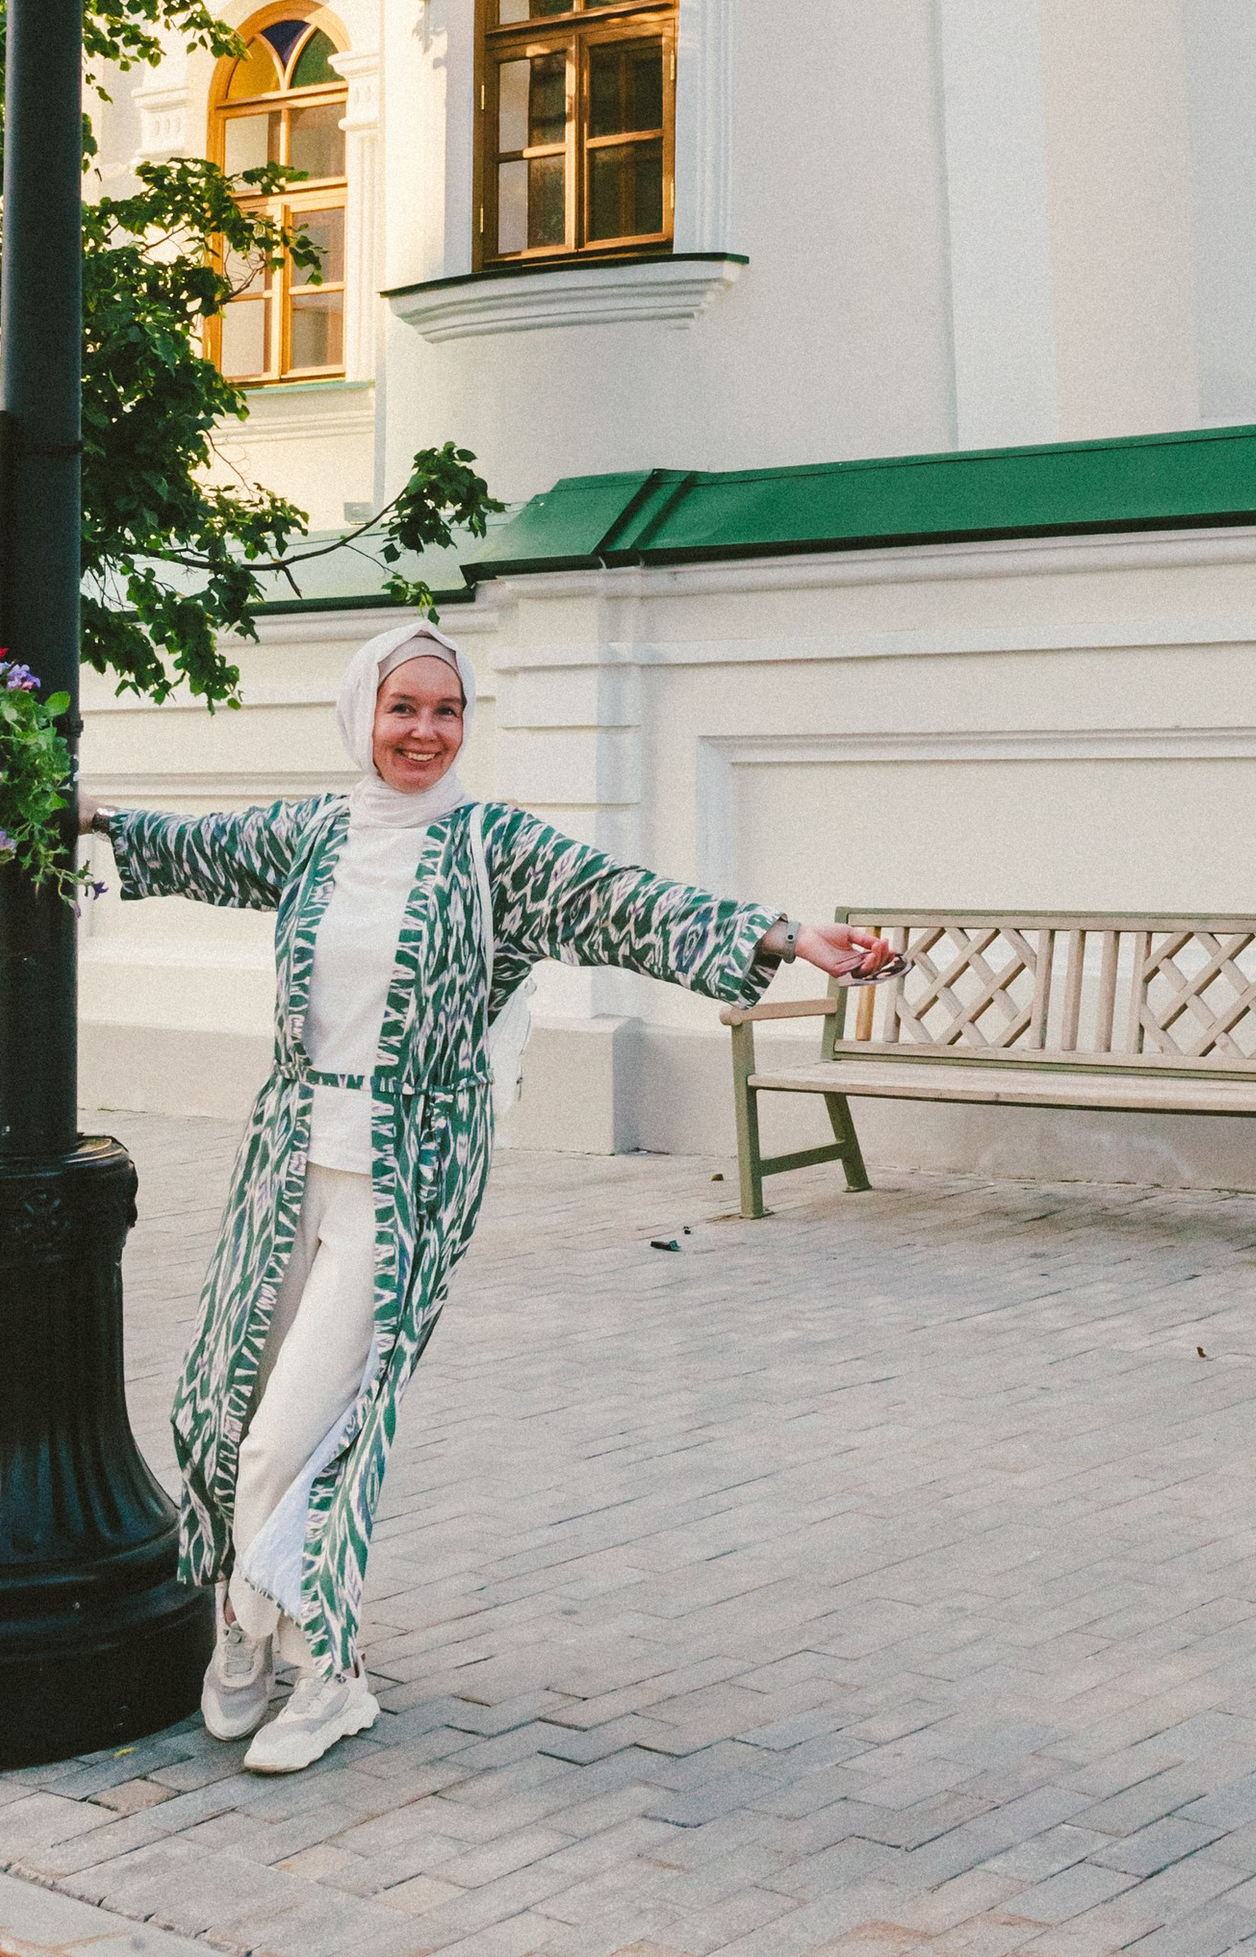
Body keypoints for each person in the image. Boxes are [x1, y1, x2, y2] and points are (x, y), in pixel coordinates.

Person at [80, 628, 896, 1775]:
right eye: (402, 707)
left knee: (301, 1437)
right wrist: (81, 817)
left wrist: (787, 936)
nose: (425, 731)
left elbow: (625, 901)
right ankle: (253, 1624)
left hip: (405, 1179)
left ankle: (325, 1672)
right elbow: (190, 845)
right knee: (220, 1407)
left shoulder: (493, 848)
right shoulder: (311, 834)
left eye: (447, 710)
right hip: (286, 1167)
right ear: (362, 713)